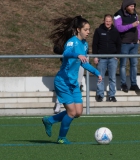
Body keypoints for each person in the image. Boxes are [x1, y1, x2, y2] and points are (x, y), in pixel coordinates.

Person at [42, 15, 102, 144]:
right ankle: (61, 138)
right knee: (71, 112)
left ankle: (50, 120)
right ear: (78, 30)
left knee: (78, 112)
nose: (88, 32)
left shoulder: (84, 45)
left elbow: (84, 63)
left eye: (89, 29)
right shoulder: (71, 42)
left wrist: (97, 72)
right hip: (62, 82)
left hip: (73, 83)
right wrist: (77, 54)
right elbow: (66, 53)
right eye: (86, 29)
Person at [114, 0, 140, 93]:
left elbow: (138, 27)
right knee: (123, 65)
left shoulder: (135, 14)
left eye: (133, 6)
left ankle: (134, 84)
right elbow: (119, 28)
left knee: (134, 64)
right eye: (131, 6)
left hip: (134, 44)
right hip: (124, 43)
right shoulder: (118, 14)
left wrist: (138, 38)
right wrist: (131, 25)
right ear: (125, 7)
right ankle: (123, 84)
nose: (133, 8)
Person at [92, 14, 121, 102]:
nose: (108, 23)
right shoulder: (98, 31)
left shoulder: (115, 31)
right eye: (106, 21)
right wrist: (95, 56)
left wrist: (117, 55)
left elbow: (119, 44)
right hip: (101, 58)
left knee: (112, 77)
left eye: (109, 21)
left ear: (112, 22)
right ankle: (100, 95)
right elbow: (95, 44)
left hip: (112, 58)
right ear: (104, 21)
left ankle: (112, 95)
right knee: (100, 77)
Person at [53, 46, 85, 114]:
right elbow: (58, 49)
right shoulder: (68, 41)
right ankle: (58, 105)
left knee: (77, 83)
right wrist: (76, 54)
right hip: (68, 66)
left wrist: (96, 73)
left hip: (78, 63)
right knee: (64, 85)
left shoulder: (82, 42)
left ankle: (74, 104)